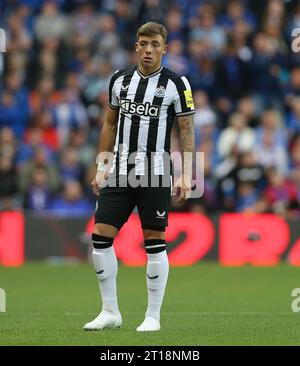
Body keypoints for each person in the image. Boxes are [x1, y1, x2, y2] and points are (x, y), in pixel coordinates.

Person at [83, 22, 195, 332]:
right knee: (100, 237)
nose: (148, 49)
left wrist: (186, 173)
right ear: (136, 46)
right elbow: (109, 124)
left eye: (154, 44)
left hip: (156, 172)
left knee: (154, 242)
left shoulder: (177, 83)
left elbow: (186, 129)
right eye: (143, 43)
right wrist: (102, 165)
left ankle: (152, 317)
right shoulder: (119, 80)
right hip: (120, 169)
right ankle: (110, 312)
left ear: (164, 48)